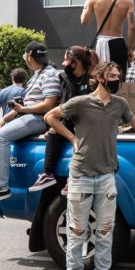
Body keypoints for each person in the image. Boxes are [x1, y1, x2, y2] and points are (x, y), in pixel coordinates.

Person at [44, 62, 135, 270]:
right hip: (81, 175)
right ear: (100, 77)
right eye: (112, 75)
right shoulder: (81, 102)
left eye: (118, 76)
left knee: (104, 231)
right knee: (77, 230)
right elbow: (51, 116)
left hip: (107, 176)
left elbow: (134, 121)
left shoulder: (119, 104)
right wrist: (72, 138)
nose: (116, 79)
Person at [0, 42, 61, 205]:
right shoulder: (36, 75)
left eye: (25, 54)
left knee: (0, 137)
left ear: (29, 55)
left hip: (38, 118)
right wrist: (5, 118)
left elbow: (49, 105)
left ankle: (1, 187)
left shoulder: (49, 74)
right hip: (28, 115)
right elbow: (23, 104)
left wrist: (23, 109)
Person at [29, 46, 98, 192]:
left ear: (75, 63)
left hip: (88, 122)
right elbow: (62, 107)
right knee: (54, 131)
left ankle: (74, 178)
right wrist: (54, 128)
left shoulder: (93, 80)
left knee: (82, 134)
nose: (63, 62)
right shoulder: (65, 79)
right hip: (70, 120)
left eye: (66, 60)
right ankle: (47, 174)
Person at [81, 0, 135, 76]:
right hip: (119, 42)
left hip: (102, 42)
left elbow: (84, 21)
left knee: (101, 77)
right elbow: (132, 27)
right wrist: (130, 49)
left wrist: (85, 4)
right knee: (118, 77)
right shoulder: (128, 1)